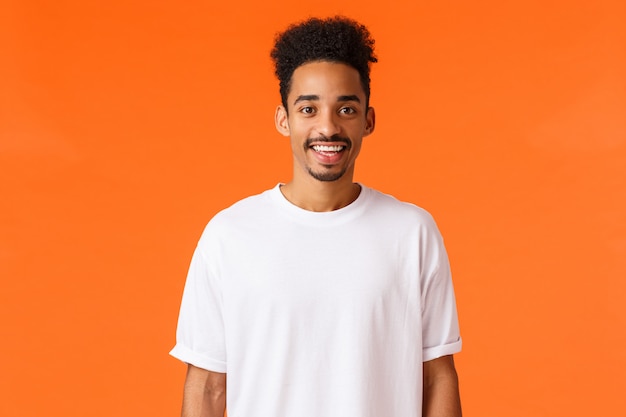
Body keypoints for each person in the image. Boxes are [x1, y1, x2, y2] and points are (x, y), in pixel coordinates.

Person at [170, 16, 462, 417]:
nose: (328, 126)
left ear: (368, 120)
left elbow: (437, 376)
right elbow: (208, 387)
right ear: (283, 119)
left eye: (346, 108)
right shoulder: (229, 236)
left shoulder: (412, 233)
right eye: (309, 108)